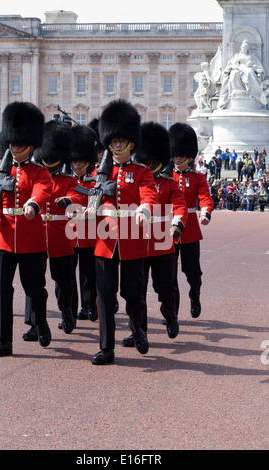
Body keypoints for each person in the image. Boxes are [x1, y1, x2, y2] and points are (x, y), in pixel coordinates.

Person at [0, 101, 53, 357]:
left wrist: (34, 205)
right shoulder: (3, 171)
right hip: (3, 238)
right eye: (12, 143)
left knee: (34, 288)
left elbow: (43, 191)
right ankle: (4, 341)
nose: (15, 147)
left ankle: (41, 321)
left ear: (30, 146)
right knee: (2, 291)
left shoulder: (39, 171)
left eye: (19, 144)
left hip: (30, 239)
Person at [91, 99, 158, 365]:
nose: (117, 145)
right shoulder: (100, 173)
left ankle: (138, 329)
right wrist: (90, 208)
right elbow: (92, 198)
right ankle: (106, 347)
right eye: (113, 141)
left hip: (131, 238)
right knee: (104, 296)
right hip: (106, 240)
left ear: (131, 143)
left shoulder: (141, 172)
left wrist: (144, 210)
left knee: (134, 293)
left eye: (122, 141)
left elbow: (148, 194)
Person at [122, 121, 188, 347]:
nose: (149, 165)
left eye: (153, 161)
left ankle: (170, 316)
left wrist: (177, 224)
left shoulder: (169, 184)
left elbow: (179, 206)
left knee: (165, 286)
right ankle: (138, 330)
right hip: (138, 242)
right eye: (146, 161)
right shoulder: (135, 179)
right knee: (136, 291)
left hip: (162, 241)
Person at [23, 119, 78, 341]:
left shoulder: (67, 180)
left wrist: (68, 200)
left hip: (59, 234)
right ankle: (35, 323)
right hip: (36, 232)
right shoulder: (34, 176)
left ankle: (67, 312)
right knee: (33, 281)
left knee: (63, 279)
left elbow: (76, 195)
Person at [169, 122, 214, 319]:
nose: (177, 157)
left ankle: (194, 294)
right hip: (169, 230)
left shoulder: (197, 177)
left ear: (188, 155)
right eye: (175, 154)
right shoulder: (166, 176)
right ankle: (172, 312)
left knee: (192, 272)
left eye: (180, 154)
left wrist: (205, 212)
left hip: (190, 230)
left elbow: (205, 197)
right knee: (169, 275)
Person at [69, 124, 98, 323]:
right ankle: (74, 308)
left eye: (80, 161)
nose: (77, 164)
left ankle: (90, 306)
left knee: (89, 272)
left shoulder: (95, 179)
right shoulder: (68, 179)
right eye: (74, 160)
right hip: (71, 232)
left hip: (91, 232)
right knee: (70, 274)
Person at [218, 39, 267, 109]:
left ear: (248, 49)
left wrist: (252, 66)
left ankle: (252, 92)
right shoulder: (237, 56)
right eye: (243, 48)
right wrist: (236, 66)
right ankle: (236, 92)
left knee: (249, 73)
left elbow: (257, 66)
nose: (244, 49)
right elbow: (232, 63)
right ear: (241, 48)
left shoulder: (252, 57)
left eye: (245, 48)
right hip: (239, 69)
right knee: (234, 73)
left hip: (249, 69)